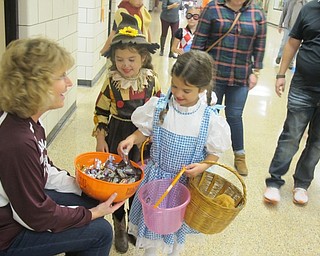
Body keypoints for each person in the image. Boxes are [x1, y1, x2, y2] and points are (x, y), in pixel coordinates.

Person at [0, 37, 125, 256]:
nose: (69, 83)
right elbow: (34, 217)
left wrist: (86, 187)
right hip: (8, 236)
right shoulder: (17, 142)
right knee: (101, 232)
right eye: (61, 76)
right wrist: (92, 214)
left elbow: (44, 170)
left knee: (88, 200)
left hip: (21, 209)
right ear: (35, 84)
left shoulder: (27, 121)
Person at [117, 50, 231, 256]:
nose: (178, 94)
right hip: (155, 178)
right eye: (175, 86)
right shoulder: (161, 107)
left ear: (201, 89)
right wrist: (132, 139)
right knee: (150, 227)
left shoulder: (208, 119)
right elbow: (144, 131)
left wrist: (203, 166)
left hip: (183, 186)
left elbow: (214, 154)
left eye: (186, 91)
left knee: (175, 229)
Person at [93, 13, 161, 253]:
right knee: (117, 181)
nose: (126, 65)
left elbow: (158, 110)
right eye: (120, 59)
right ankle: (119, 224)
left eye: (131, 59)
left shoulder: (151, 80)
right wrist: (101, 138)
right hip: (116, 133)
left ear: (143, 57)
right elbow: (101, 109)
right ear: (113, 59)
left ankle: (134, 224)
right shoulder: (111, 81)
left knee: (139, 181)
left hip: (142, 138)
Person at [191, 0, 267, 176]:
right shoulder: (213, 8)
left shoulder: (257, 13)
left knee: (234, 115)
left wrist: (255, 71)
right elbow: (199, 42)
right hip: (212, 76)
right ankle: (203, 155)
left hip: (241, 76)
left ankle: (239, 155)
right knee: (209, 115)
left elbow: (259, 47)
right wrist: (196, 71)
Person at [263, 0, 320, 206]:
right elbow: (292, 42)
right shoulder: (310, 9)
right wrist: (280, 74)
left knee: (317, 143)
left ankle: (302, 183)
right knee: (291, 136)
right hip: (303, 86)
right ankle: (274, 182)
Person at [275, 0, 307, 69]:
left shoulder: (305, 4)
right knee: (284, 43)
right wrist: (280, 24)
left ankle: (291, 63)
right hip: (288, 26)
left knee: (295, 47)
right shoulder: (289, 2)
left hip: (298, 30)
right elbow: (284, 13)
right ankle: (279, 56)